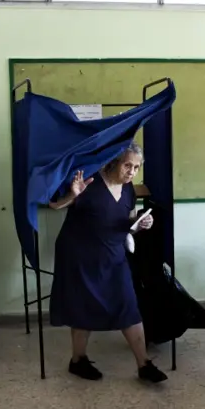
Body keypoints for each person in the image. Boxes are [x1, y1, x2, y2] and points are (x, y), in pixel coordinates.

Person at [49, 141, 168, 383]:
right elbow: (54, 205)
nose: (132, 172)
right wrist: (72, 195)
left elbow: (123, 220)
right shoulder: (89, 182)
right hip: (80, 256)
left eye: (137, 167)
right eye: (128, 165)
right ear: (114, 161)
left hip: (112, 255)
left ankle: (144, 364)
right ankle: (77, 360)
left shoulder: (128, 189)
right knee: (83, 307)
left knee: (128, 304)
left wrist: (140, 223)